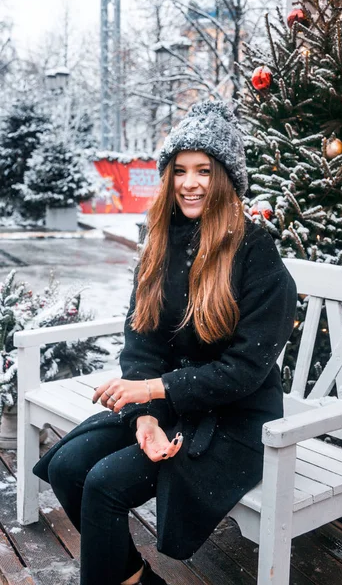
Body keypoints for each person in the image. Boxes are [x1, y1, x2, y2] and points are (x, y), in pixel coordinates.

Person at [33, 100, 298, 585]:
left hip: (235, 420)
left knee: (104, 484)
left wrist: (153, 391)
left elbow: (245, 370)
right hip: (171, 403)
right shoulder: (161, 241)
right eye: (180, 170)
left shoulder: (256, 253)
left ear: (226, 179)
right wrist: (146, 416)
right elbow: (140, 340)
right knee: (69, 466)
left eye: (204, 170)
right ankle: (134, 578)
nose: (190, 183)